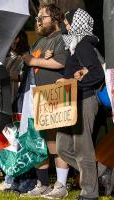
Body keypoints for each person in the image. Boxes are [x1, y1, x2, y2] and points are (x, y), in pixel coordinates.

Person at [21, 3, 69, 199]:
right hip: (39, 96)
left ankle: (61, 185)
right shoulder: (40, 42)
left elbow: (61, 62)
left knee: (59, 141)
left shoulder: (61, 38)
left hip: (56, 94)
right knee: (44, 141)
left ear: (56, 19)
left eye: (43, 17)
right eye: (38, 17)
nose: (38, 20)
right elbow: (35, 65)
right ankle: (43, 184)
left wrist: (33, 60)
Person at [56, 8, 105, 200]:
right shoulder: (75, 45)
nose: (65, 25)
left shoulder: (83, 43)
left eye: (68, 22)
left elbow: (97, 74)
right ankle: (100, 171)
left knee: (82, 149)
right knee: (63, 147)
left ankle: (89, 193)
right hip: (72, 102)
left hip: (85, 99)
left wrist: (74, 82)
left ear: (77, 23)